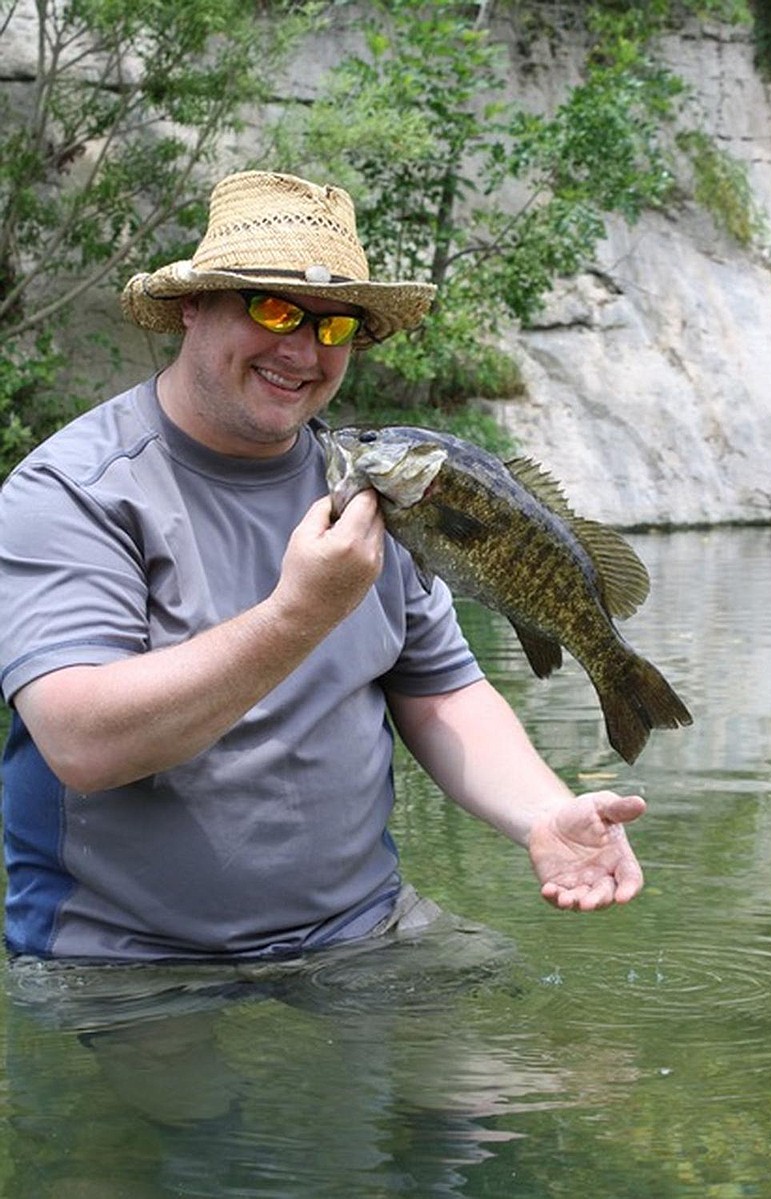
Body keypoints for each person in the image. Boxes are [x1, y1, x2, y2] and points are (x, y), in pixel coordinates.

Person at [0, 169, 646, 966]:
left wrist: (544, 813)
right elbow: (80, 743)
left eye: (334, 327)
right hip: (127, 961)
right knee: (196, 1101)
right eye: (272, 308)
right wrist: (299, 614)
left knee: (527, 1083)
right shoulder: (73, 491)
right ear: (191, 308)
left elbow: (442, 692)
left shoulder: (382, 490)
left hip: (361, 932)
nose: (302, 350)